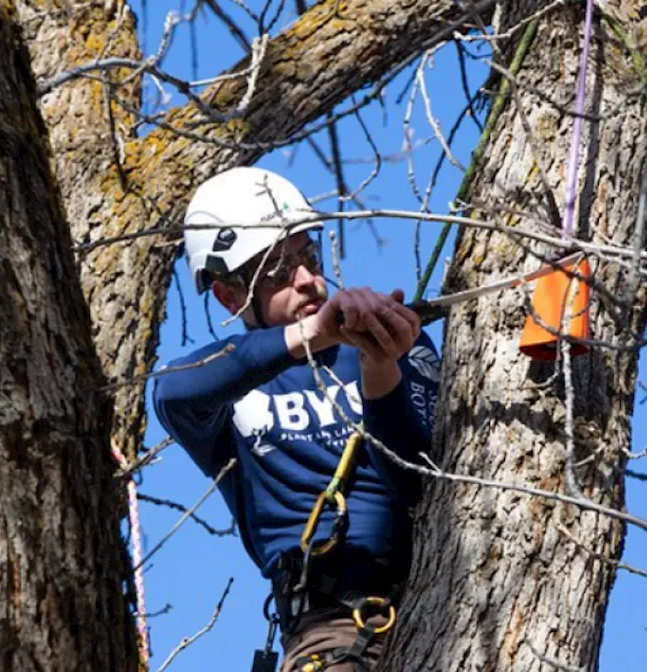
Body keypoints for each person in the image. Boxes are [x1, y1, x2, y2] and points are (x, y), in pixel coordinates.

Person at [153, 167, 440, 671]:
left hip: (437, 602)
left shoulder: (396, 344)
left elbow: (419, 480)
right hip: (328, 634)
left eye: (308, 256)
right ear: (227, 294)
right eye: (279, 271)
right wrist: (315, 333)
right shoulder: (229, 386)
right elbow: (173, 391)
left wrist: (378, 366)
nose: (308, 278)